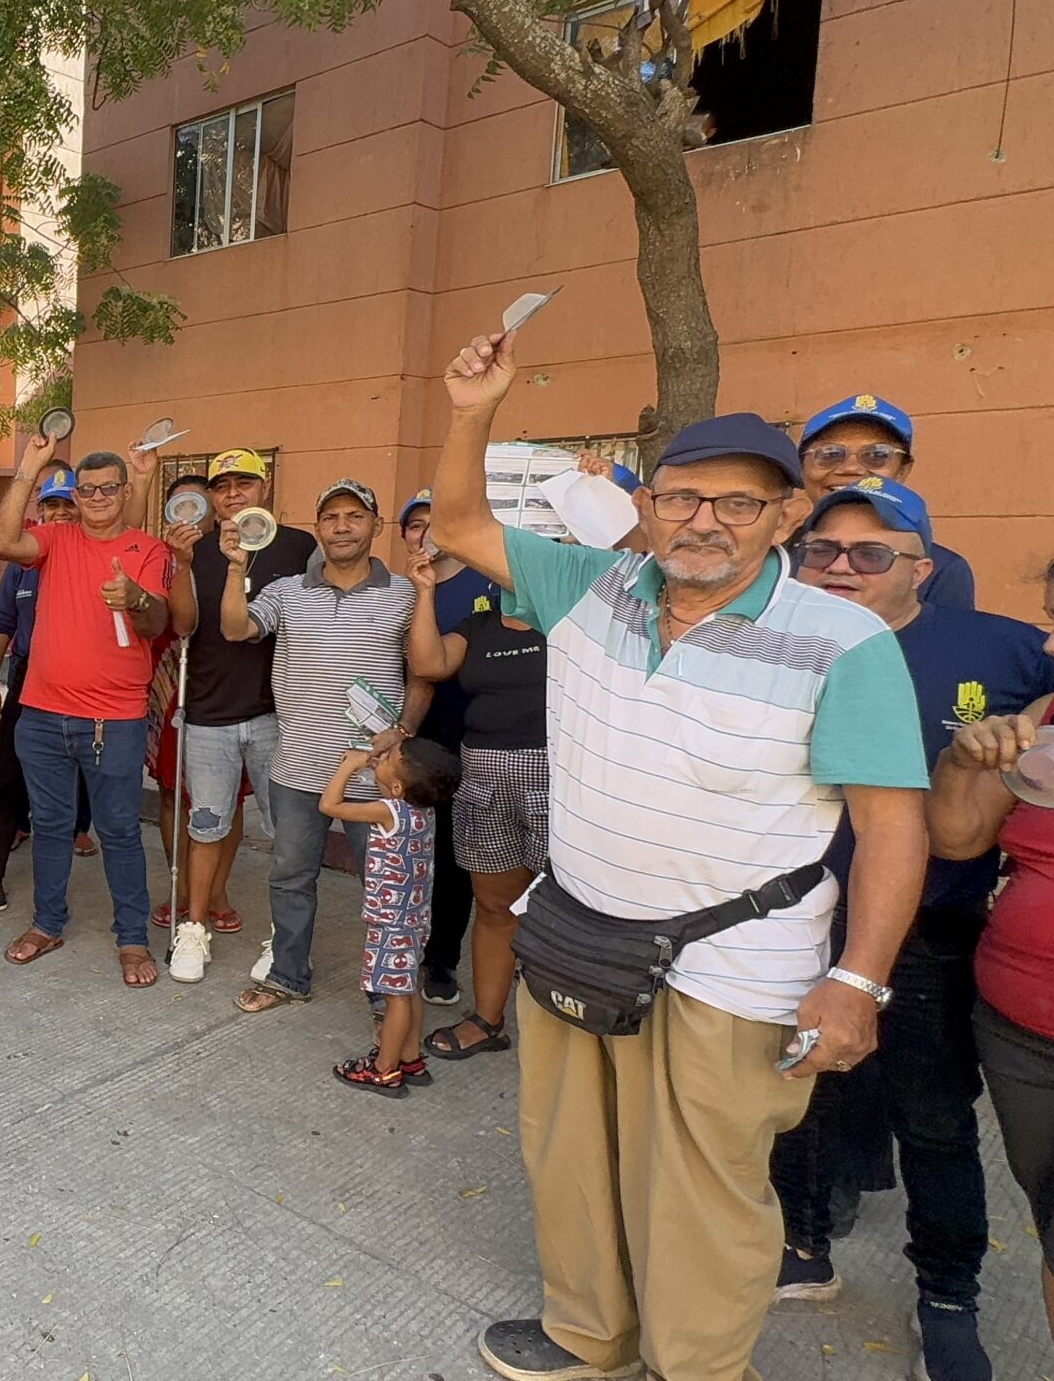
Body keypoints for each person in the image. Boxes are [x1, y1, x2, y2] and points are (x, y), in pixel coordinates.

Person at [427, 330, 928, 1381]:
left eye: (738, 503)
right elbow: (462, 521)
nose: (703, 521)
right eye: (680, 498)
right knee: (568, 1158)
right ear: (646, 504)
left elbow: (891, 826)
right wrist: (472, 408)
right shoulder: (587, 588)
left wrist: (857, 982)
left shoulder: (843, 644)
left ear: (785, 515)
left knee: (700, 1188)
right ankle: (587, 1334)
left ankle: (694, 1367)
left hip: (730, 971)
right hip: (578, 933)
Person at [765, 478, 1050, 1377]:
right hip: (792, 919)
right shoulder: (771, 643)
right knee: (798, 1098)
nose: (842, 567)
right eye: (822, 550)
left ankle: (947, 1294)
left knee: (933, 1122)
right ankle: (803, 1244)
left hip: (933, 931)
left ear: (922, 569)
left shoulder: (1006, 649)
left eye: (872, 552)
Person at [218, 478, 425, 1013]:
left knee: (384, 883)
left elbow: (425, 675)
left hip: (374, 776)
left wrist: (402, 731)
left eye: (355, 516)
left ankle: (389, 987)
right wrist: (236, 568)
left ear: (375, 527)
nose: (342, 525)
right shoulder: (287, 590)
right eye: (331, 516)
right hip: (298, 768)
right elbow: (236, 630)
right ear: (318, 528)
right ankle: (289, 973)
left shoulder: (404, 592)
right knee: (290, 878)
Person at [925, 571, 1054, 1355]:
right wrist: (963, 762)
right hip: (1020, 1029)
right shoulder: (1042, 716)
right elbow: (958, 839)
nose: (1049, 644)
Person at [0, 435, 171, 986]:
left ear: (123, 491)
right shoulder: (56, 538)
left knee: (117, 831)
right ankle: (47, 923)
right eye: (85, 489)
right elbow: (1, 540)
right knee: (49, 826)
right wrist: (28, 469)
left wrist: (136, 599)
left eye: (106, 488)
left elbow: (160, 625)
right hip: (41, 715)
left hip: (113, 721)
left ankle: (133, 939)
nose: (94, 497)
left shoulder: (147, 550)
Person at [159, 448, 316, 976]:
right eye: (222, 485)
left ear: (263, 486)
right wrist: (180, 564)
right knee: (206, 824)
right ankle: (193, 930)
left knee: (285, 832)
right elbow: (182, 625)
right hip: (208, 710)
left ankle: (282, 937)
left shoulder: (299, 545)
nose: (232, 494)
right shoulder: (198, 548)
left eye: (243, 482)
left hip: (280, 713)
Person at [405, 548, 546, 1065]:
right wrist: (424, 591)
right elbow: (428, 663)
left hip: (559, 778)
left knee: (564, 909)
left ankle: (566, 1028)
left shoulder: (574, 615)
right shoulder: (480, 622)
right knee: (493, 906)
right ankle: (489, 1021)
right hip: (484, 777)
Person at [0, 467, 94, 918]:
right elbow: (2, 624)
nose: (59, 513)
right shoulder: (22, 565)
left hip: (83, 686)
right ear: (39, 511)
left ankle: (79, 829)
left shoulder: (91, 557)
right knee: (8, 779)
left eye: (67, 504)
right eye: (51, 505)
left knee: (82, 773)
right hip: (26, 680)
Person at [398, 488, 499, 1007]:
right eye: (416, 525)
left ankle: (441, 960)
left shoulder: (491, 586)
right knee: (411, 853)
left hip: (474, 741)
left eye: (437, 522)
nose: (427, 532)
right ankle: (400, 947)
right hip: (413, 737)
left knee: (458, 861)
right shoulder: (399, 591)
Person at [317, 735, 461, 1096]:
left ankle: (384, 1070)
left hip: (389, 922)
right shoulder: (421, 810)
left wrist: (348, 766)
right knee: (407, 987)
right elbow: (392, 786)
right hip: (413, 919)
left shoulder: (389, 812)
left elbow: (329, 805)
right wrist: (381, 767)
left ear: (397, 786)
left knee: (394, 997)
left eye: (387, 758)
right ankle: (410, 1058)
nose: (377, 758)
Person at [797, 394, 973, 609]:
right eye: (830, 453)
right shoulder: (765, 554)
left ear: (903, 470)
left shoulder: (943, 569)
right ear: (802, 467)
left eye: (877, 455)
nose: (851, 468)